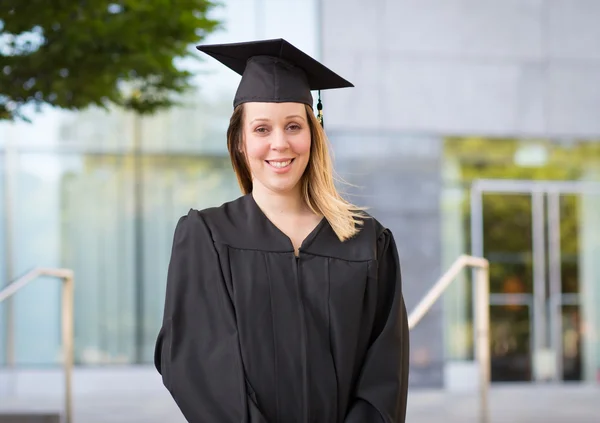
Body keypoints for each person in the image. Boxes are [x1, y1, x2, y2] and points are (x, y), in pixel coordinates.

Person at [154, 38, 410, 423]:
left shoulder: (367, 241)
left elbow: (386, 367)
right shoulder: (207, 236)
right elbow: (196, 364)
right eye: (261, 129)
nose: (280, 143)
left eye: (294, 126)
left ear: (313, 135)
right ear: (239, 142)